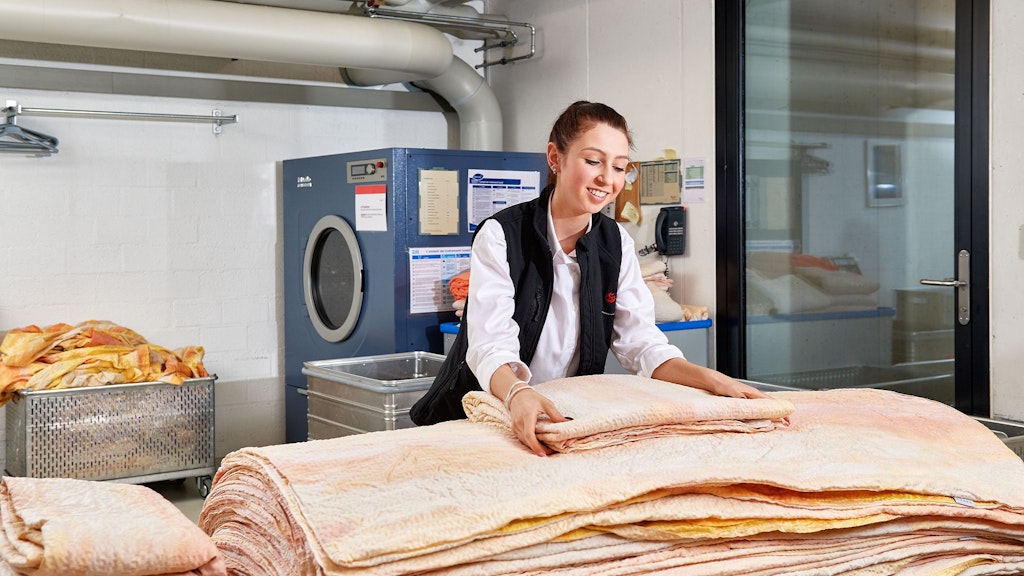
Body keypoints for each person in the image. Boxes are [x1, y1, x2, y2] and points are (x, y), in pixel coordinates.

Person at [445, 100, 766, 456]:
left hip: (569, 420)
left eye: (619, 167)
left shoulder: (616, 243)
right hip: (490, 412)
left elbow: (641, 344)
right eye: (593, 161)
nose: (607, 179)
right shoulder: (502, 235)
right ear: (556, 158)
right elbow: (489, 345)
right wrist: (518, 393)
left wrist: (711, 379)